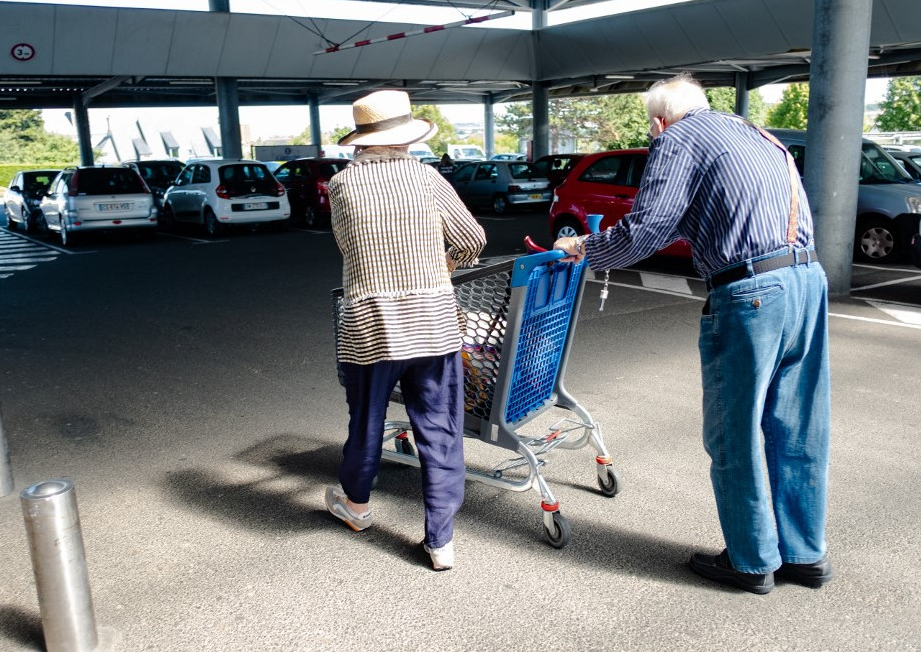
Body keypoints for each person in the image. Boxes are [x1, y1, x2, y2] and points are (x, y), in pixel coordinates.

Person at [554, 73, 832, 595]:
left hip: (752, 293)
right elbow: (711, 214)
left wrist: (585, 251)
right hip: (807, 281)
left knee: (735, 430)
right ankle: (803, 554)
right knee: (799, 425)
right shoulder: (757, 136)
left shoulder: (676, 139)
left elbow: (648, 228)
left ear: (659, 121)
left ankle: (751, 561)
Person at [325, 89, 487, 571]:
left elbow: (346, 246)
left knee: (367, 423)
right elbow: (472, 238)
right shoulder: (426, 177)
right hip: (435, 323)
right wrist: (442, 265)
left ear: (363, 141)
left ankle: (356, 508)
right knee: (439, 429)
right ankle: (441, 542)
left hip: (371, 323)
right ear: (406, 138)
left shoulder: (342, 185)